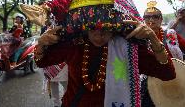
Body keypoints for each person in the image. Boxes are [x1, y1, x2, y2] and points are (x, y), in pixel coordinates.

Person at [34, 17, 176, 107]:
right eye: (93, 27)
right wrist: (41, 44)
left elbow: (167, 73)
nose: (99, 34)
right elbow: (41, 62)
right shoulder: (75, 45)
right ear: (85, 26)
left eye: (106, 27)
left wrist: (153, 37)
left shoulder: (128, 49)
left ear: (115, 27)